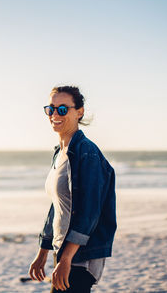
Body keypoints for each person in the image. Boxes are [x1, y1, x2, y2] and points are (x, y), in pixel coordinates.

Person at [29, 86, 117, 293]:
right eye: (51, 109)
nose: (54, 115)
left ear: (79, 112)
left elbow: (90, 211)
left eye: (62, 109)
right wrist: (43, 252)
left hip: (80, 257)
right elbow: (57, 207)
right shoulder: (60, 153)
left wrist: (67, 258)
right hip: (63, 253)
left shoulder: (87, 153)